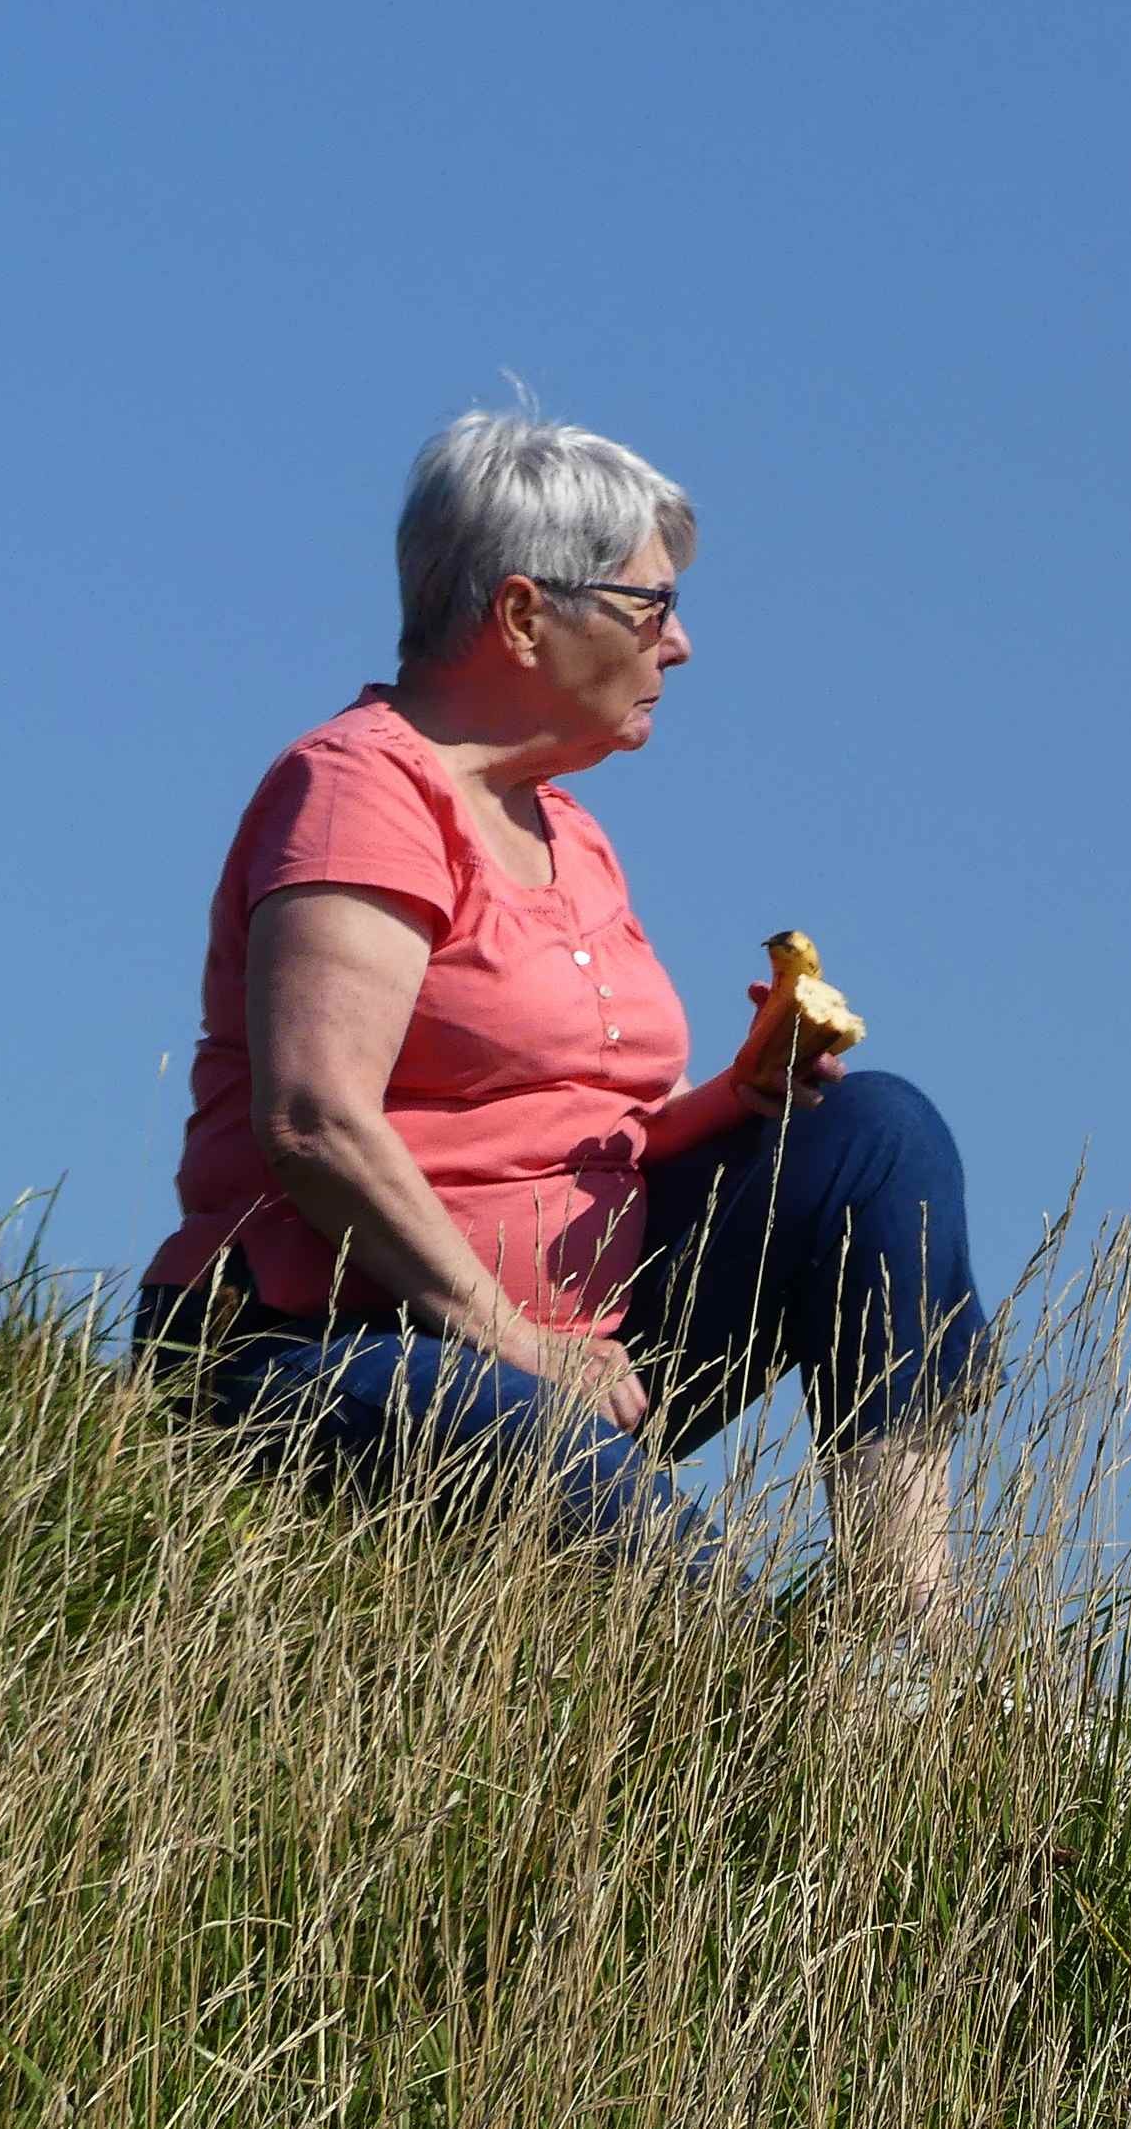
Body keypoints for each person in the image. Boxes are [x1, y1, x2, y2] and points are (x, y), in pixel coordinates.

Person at [135, 410, 993, 1619]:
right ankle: (765, 1696)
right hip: (318, 1345)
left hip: (580, 1349)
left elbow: (582, 1131)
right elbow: (316, 1120)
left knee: (879, 1130)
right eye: (651, 606)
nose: (680, 644)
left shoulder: (567, 828)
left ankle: (903, 1636)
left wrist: (730, 1103)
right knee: (603, 1509)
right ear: (525, 614)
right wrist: (514, 1343)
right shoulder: (357, 790)